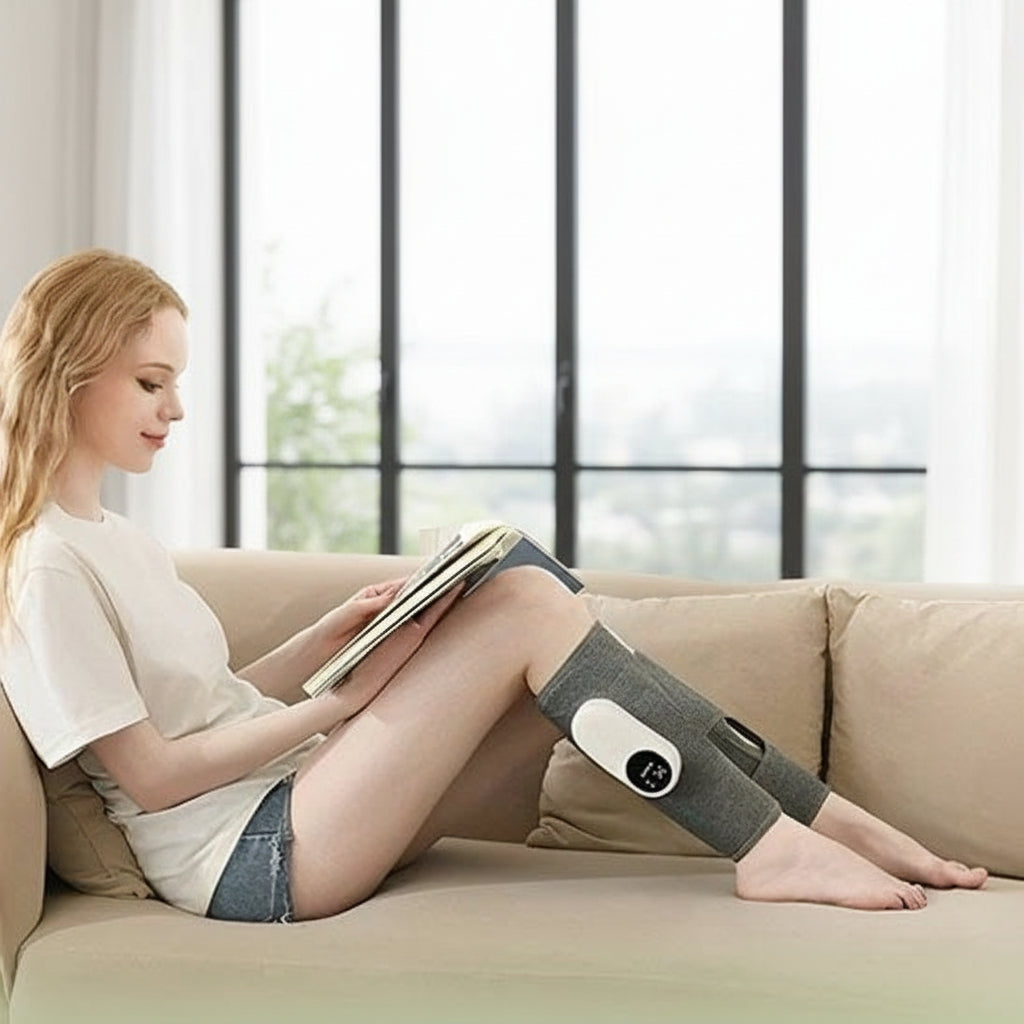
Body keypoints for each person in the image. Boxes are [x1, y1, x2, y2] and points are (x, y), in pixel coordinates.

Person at [0, 250, 987, 925]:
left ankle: (813, 817)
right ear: (68, 372)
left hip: (295, 793)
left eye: (174, 380)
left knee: (550, 621)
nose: (175, 408)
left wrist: (330, 642)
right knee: (521, 609)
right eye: (148, 381)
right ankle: (773, 842)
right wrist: (346, 700)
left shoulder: (113, 536)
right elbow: (153, 774)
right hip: (251, 858)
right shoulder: (47, 563)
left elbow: (206, 701)